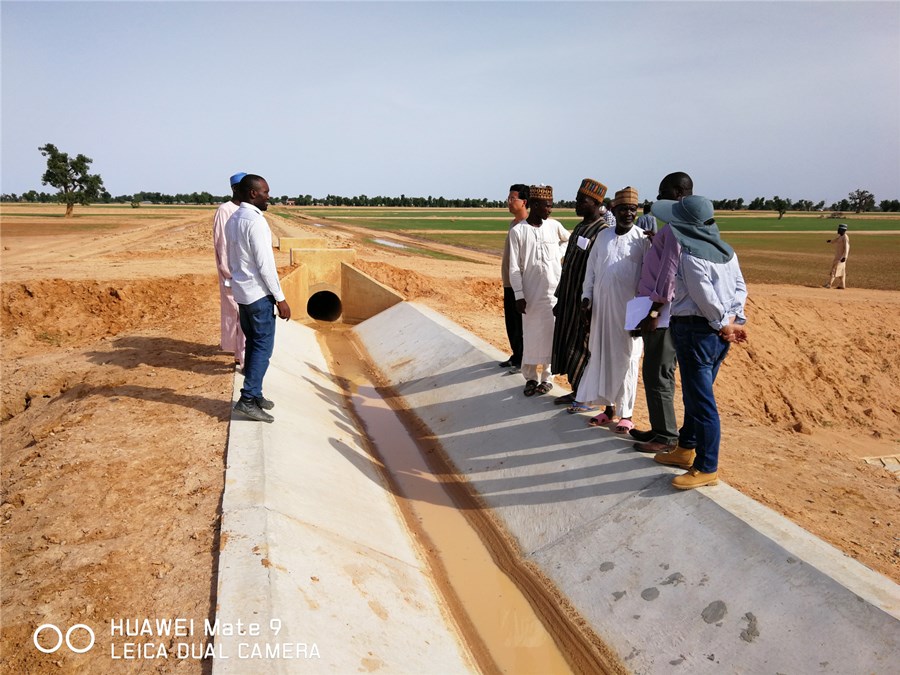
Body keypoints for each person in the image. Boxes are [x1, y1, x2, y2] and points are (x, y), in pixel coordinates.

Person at [650, 195, 747, 490]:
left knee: (701, 402)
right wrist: (732, 321)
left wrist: (722, 323)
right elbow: (740, 288)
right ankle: (686, 447)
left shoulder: (691, 257)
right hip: (716, 335)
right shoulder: (727, 252)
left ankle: (706, 466)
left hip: (695, 332)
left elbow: (704, 296)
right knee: (696, 395)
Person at [576, 187, 650, 432]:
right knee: (603, 357)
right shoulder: (603, 237)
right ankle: (608, 410)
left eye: (632, 209)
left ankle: (626, 414)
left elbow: (648, 280)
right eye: (624, 209)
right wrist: (587, 297)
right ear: (614, 210)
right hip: (602, 310)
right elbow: (591, 270)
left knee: (628, 360)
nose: (628, 214)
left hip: (630, 312)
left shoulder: (642, 240)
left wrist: (642, 315)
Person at [630, 172, 693, 454]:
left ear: (679, 193)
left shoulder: (677, 229)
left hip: (663, 315)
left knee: (659, 374)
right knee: (652, 372)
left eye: (663, 193)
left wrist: (654, 313)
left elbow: (669, 275)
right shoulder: (674, 228)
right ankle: (659, 428)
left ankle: (667, 436)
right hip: (661, 311)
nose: (658, 199)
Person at [225, 174, 292, 423]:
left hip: (243, 294)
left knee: (253, 344)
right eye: (265, 192)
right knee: (263, 347)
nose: (268, 197)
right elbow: (265, 266)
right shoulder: (255, 222)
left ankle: (256, 394)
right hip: (258, 295)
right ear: (253, 194)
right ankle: (247, 399)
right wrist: (280, 299)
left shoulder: (233, 219)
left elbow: (233, 258)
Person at [550, 178, 610, 410]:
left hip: (584, 302)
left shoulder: (602, 232)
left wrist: (590, 302)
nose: (576, 204)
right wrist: (560, 297)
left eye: (581, 200)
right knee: (568, 343)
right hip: (568, 298)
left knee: (584, 348)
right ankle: (577, 390)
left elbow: (598, 271)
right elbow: (568, 265)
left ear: (595, 203)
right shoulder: (579, 228)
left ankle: (587, 397)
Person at [508, 185, 570, 396]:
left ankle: (547, 378)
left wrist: (557, 253)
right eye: (546, 206)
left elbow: (568, 240)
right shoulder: (518, 231)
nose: (550, 210)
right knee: (532, 335)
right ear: (534, 205)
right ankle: (531, 377)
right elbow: (514, 267)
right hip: (530, 293)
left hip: (553, 292)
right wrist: (519, 295)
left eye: (551, 205)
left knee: (551, 334)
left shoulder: (554, 226)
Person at [213, 172, 248, 368]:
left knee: (243, 314)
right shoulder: (225, 210)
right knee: (234, 312)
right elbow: (222, 244)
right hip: (231, 273)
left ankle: (240, 352)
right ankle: (240, 355)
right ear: (235, 189)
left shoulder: (246, 210)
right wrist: (228, 272)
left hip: (243, 272)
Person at [499, 185, 529, 372]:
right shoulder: (513, 224)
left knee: (520, 323)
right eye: (508, 198)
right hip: (509, 281)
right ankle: (516, 354)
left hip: (520, 283)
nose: (509, 202)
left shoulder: (527, 226)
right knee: (511, 322)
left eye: (513, 199)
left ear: (524, 202)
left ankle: (523, 359)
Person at [825, 223, 850, 289]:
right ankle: (842, 285)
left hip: (841, 258)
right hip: (837, 257)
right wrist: (830, 241)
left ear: (843, 230)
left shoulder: (845, 237)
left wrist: (844, 257)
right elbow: (836, 240)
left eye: (839, 229)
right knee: (842, 272)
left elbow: (847, 248)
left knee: (834, 270)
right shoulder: (840, 236)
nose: (838, 230)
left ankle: (829, 284)